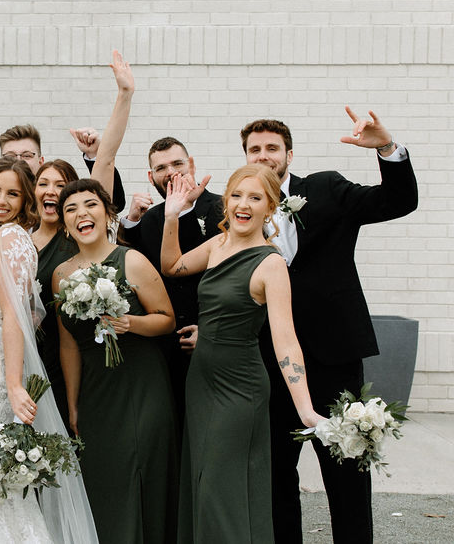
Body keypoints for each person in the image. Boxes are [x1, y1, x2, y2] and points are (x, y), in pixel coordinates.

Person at [241, 110, 417, 544]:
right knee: (276, 478)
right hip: (270, 364)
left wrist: (385, 147)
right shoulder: (238, 207)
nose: (263, 156)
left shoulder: (324, 188)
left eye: (271, 149)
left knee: (346, 477)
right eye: (254, 150)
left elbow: (397, 201)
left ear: (288, 154)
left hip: (333, 359)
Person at [0, 156, 98, 544]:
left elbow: (14, 315)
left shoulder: (12, 237)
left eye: (13, 193)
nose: (2, 200)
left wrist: (12, 384)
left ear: (26, 200)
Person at [161, 164, 325, 544]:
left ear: (270, 208)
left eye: (256, 198)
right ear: (226, 201)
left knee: (221, 487)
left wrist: (305, 408)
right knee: (202, 479)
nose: (243, 204)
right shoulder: (217, 245)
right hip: (201, 381)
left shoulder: (270, 263)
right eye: (236, 195)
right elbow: (171, 266)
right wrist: (172, 216)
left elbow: (286, 340)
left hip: (241, 389)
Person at [54, 178, 178, 543]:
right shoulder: (61, 275)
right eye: (71, 209)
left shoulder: (132, 260)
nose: (82, 214)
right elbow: (68, 345)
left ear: (108, 213)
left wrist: (130, 323)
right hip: (95, 391)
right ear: (64, 223)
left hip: (140, 385)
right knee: (103, 479)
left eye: (90, 204)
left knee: (138, 474)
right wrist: (74, 405)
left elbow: (167, 319)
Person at [120, 136, 223, 426]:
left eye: (178, 163)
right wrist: (130, 220)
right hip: (165, 350)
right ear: (151, 177)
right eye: (161, 167)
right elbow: (131, 269)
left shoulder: (225, 209)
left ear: (191, 165)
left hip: (214, 345)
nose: (171, 172)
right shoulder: (150, 220)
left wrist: (211, 330)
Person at [31, 158, 80, 428]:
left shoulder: (76, 246)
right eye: (43, 183)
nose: (50, 190)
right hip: (20, 359)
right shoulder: (18, 239)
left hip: (58, 361)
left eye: (60, 185)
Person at [0, 123, 125, 211]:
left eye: (27, 155)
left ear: (40, 161)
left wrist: (94, 155)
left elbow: (114, 203)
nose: (19, 162)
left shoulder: (55, 194)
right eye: (10, 156)